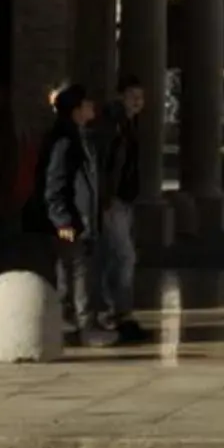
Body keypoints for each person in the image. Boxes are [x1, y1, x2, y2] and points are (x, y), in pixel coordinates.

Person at [28, 85, 112, 347]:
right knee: (76, 274)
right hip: (71, 220)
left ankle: (76, 326)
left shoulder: (80, 136)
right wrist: (62, 219)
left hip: (83, 218)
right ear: (76, 109)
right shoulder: (64, 141)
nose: (92, 108)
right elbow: (55, 183)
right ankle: (80, 327)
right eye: (87, 104)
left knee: (76, 272)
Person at [96, 77, 146, 343]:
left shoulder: (128, 125)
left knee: (118, 256)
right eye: (132, 95)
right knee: (122, 256)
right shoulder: (114, 126)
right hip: (113, 200)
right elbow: (107, 164)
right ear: (120, 97)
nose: (137, 101)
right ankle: (116, 311)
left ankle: (117, 310)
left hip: (123, 199)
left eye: (140, 96)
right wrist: (105, 197)